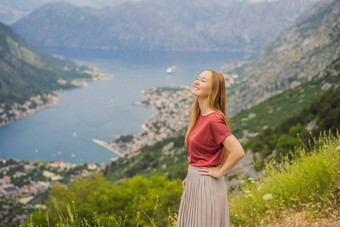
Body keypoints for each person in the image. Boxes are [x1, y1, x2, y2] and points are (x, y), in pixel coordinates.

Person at [177, 69, 245, 227]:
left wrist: (220, 171)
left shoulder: (213, 119)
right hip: (196, 181)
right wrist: (192, 175)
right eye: (197, 78)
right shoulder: (201, 115)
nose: (196, 82)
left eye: (203, 80)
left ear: (213, 90)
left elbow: (238, 151)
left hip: (206, 185)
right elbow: (203, 152)